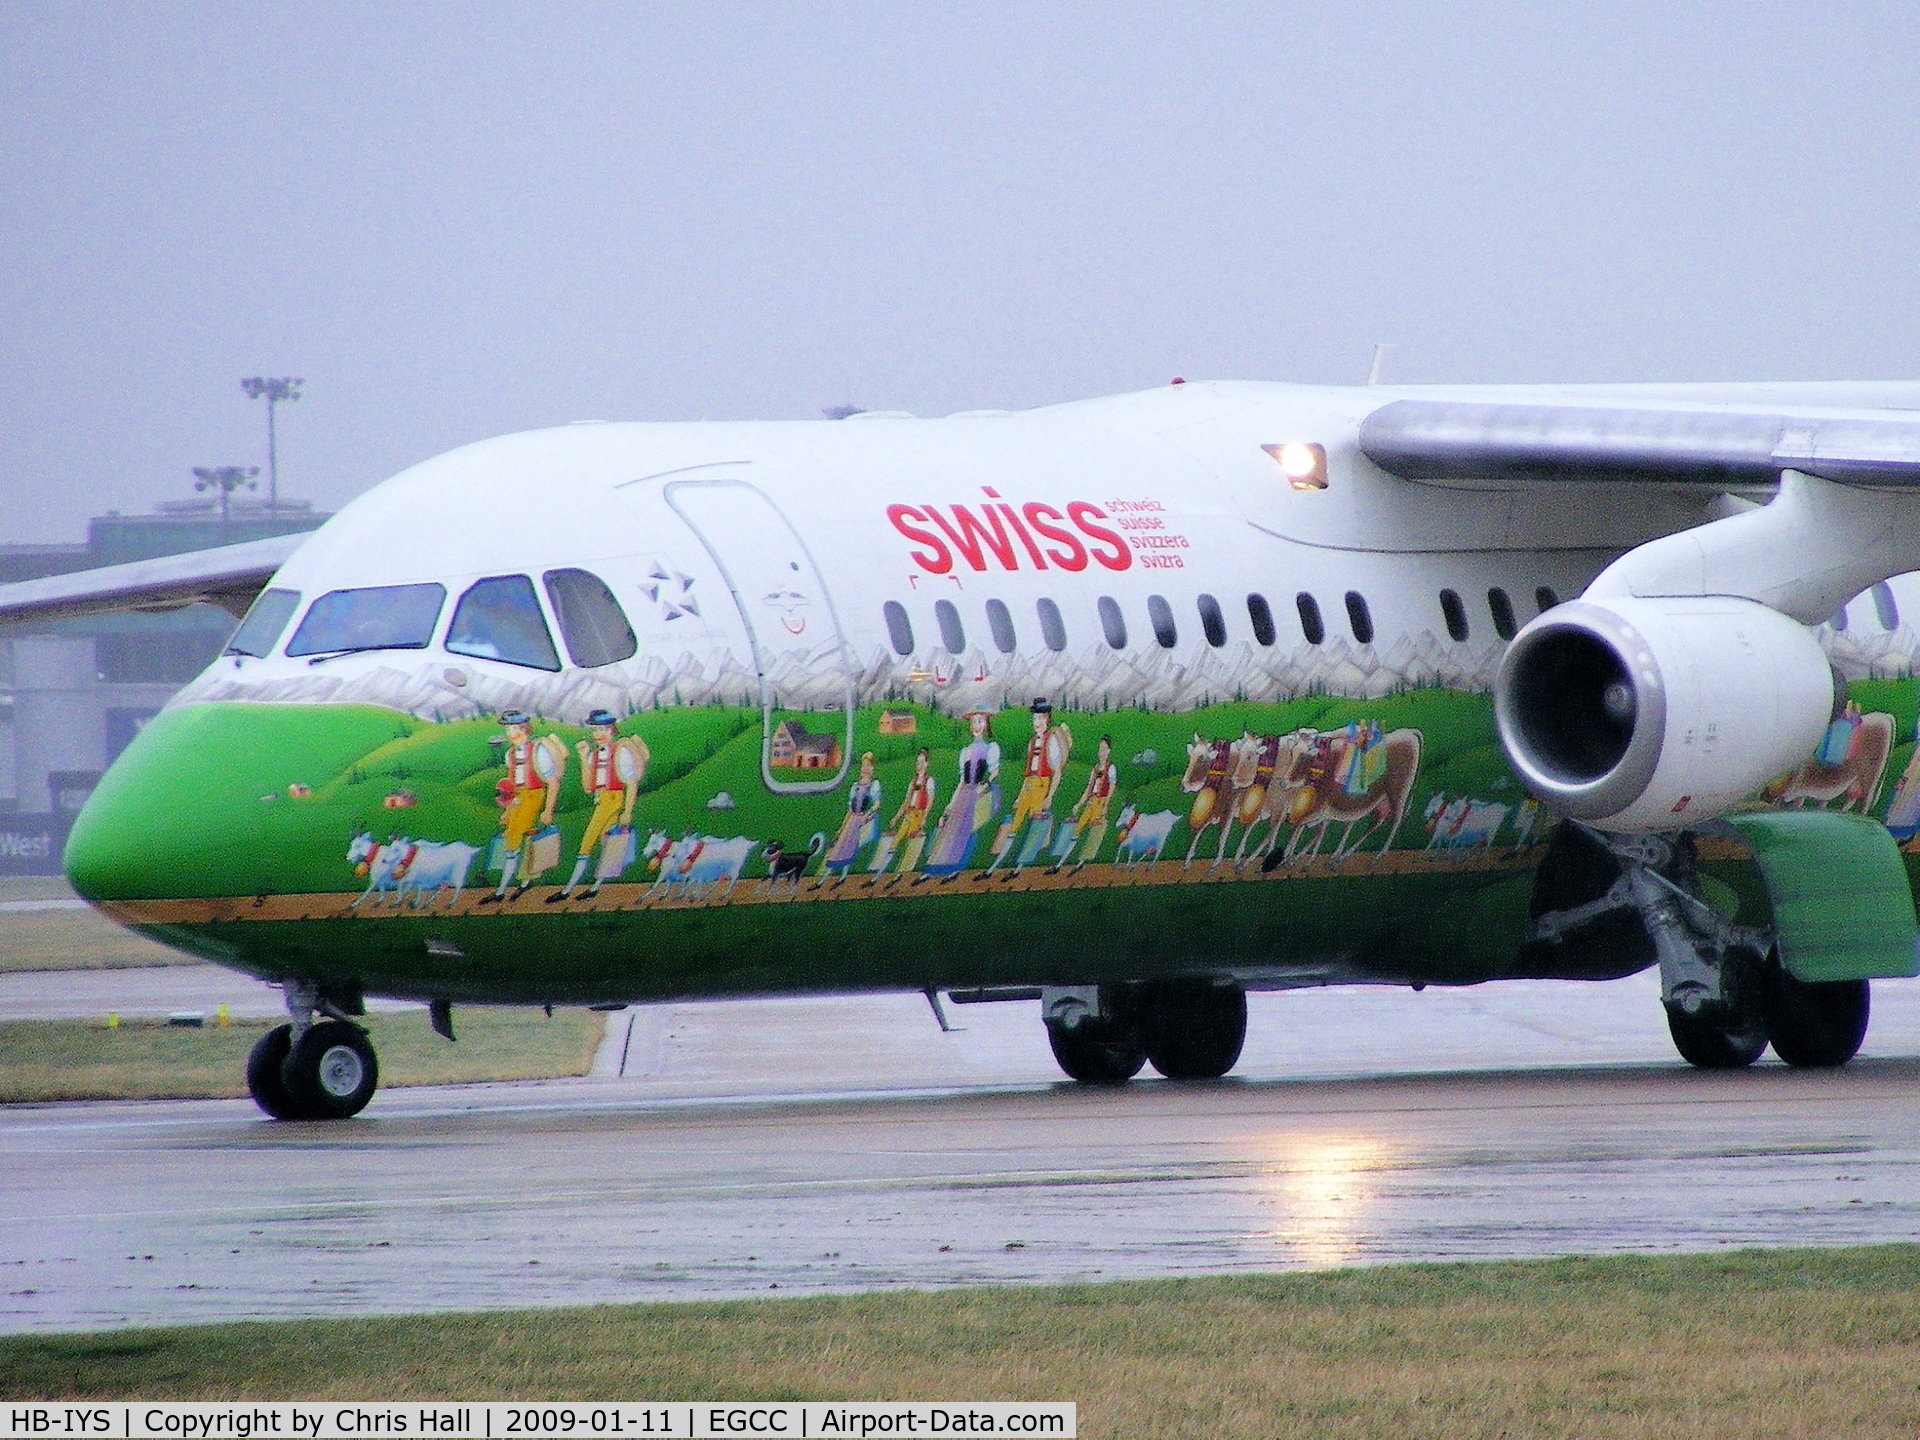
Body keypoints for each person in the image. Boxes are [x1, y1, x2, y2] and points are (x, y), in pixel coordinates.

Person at [549, 710, 648, 901]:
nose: (598, 734)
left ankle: (568, 890)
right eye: (595, 730)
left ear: (611, 730)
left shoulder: (621, 751)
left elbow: (632, 782)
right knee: (605, 843)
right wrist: (583, 756)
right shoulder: (593, 755)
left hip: (613, 800)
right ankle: (591, 887)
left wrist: (627, 812)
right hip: (601, 799)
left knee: (590, 842)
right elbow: (588, 787)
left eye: (602, 729)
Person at [480, 710, 562, 903]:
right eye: (508, 728)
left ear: (525, 728)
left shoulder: (536, 750)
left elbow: (553, 781)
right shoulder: (510, 753)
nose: (511, 732)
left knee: (516, 837)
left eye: (515, 728)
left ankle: (501, 891)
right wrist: (508, 810)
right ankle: (523, 881)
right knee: (513, 835)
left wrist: (548, 810)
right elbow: (511, 783)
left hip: (534, 795)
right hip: (517, 798)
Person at [989, 699, 1068, 875]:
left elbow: (1057, 772)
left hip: (1042, 785)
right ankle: (995, 867)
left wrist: (1050, 796)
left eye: (1040, 718)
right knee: (1014, 823)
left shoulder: (1051, 741)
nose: (1037, 723)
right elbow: (1028, 772)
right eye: (1035, 719)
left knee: (1035, 825)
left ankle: (1021, 868)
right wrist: (1019, 795)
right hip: (1029, 786)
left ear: (1047, 718)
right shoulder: (1032, 742)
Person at [922, 710, 1000, 877]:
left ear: (986, 724)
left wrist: (984, 786)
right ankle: (944, 866)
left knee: (969, 829)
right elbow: (962, 780)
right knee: (953, 828)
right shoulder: (966, 751)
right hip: (965, 793)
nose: (976, 726)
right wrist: (951, 804)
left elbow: (994, 773)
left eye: (979, 721)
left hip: (979, 792)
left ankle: (959, 867)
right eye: (973, 722)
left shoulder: (990, 749)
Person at [822, 752, 882, 882]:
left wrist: (867, 814)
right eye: (863, 766)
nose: (865, 769)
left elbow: (877, 803)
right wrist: (842, 826)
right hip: (852, 820)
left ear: (872, 768)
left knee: (848, 846)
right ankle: (828, 877)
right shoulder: (855, 786)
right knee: (842, 846)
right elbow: (850, 809)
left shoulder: (873, 785)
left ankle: (840, 876)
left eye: (868, 766)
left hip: (861, 819)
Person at [876, 747, 936, 875]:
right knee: (896, 840)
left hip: (918, 815)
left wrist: (924, 817)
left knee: (912, 843)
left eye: (921, 762)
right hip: (909, 814)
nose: (918, 765)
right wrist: (896, 817)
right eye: (917, 763)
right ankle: (880, 873)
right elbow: (906, 801)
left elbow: (930, 801)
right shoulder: (913, 781)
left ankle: (904, 872)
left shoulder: (929, 781)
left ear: (927, 763)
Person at [1062, 734, 1117, 868]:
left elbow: (1112, 787)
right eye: (1100, 749)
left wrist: (1106, 805)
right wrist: (1079, 804)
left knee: (1093, 832)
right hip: (1091, 801)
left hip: (1100, 802)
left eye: (1104, 749)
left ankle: (1081, 862)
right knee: (1077, 828)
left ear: (1109, 751)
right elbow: (1089, 787)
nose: (1101, 753)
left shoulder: (1111, 768)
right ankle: (1061, 862)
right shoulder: (1096, 768)